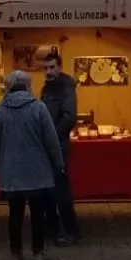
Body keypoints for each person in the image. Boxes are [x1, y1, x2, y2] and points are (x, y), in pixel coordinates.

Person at [0, 69, 65, 260]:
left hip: (11, 170)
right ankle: (38, 253)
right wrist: (58, 162)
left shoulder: (0, 110)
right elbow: (51, 139)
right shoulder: (38, 108)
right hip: (37, 169)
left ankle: (16, 253)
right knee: (38, 213)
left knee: (15, 213)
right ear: (28, 85)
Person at [40, 50, 80, 245]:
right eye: (46, 68)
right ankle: (53, 227)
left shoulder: (66, 85)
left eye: (52, 67)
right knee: (48, 188)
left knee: (61, 190)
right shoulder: (47, 88)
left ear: (60, 67)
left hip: (59, 146)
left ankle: (71, 231)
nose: (48, 71)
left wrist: (51, 136)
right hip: (46, 146)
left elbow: (69, 117)